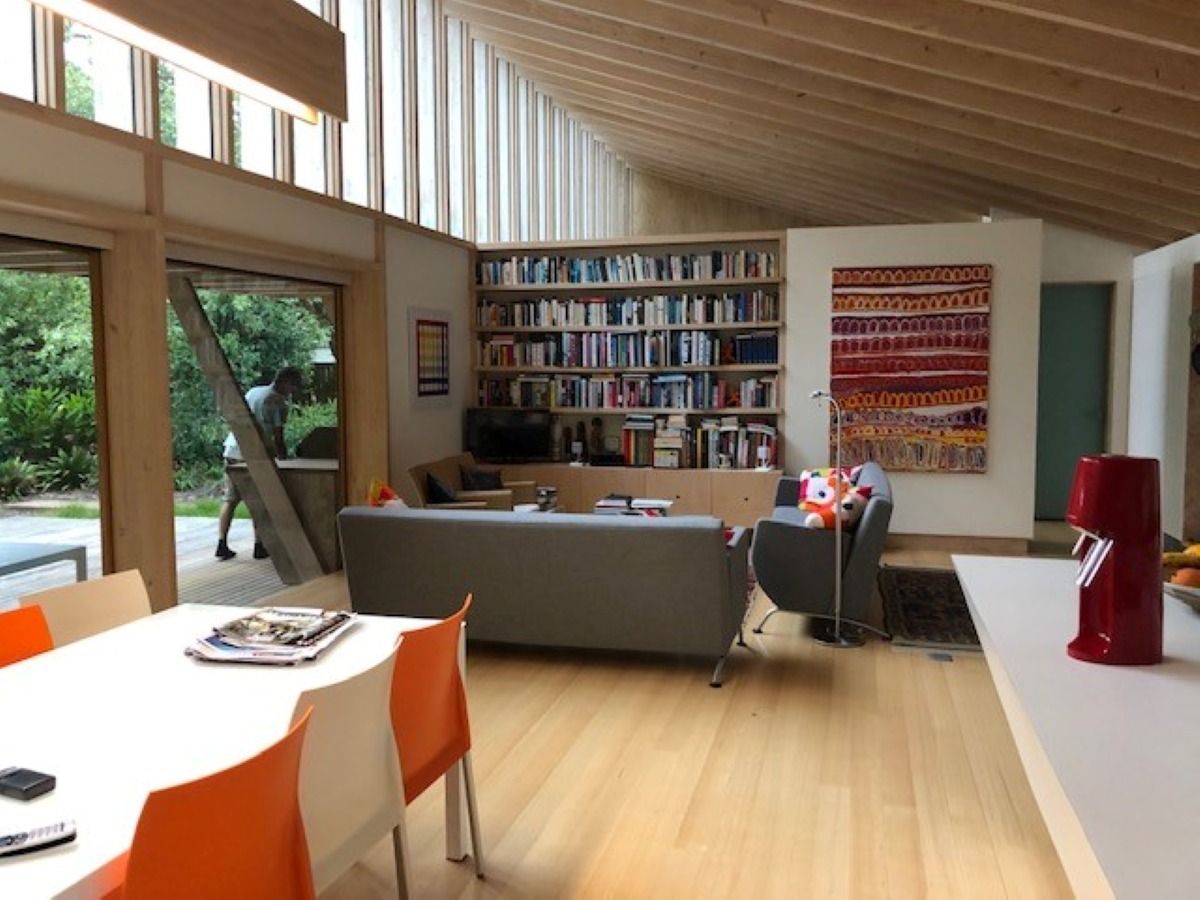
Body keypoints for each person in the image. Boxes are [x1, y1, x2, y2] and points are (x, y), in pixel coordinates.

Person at [215, 367, 302, 561]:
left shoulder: (255, 391)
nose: (293, 390)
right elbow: (278, 436)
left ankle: (221, 543)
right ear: (286, 382)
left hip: (232, 449)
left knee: (230, 499)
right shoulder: (278, 403)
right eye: (293, 386)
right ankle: (259, 545)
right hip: (254, 454)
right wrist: (282, 457)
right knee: (259, 500)